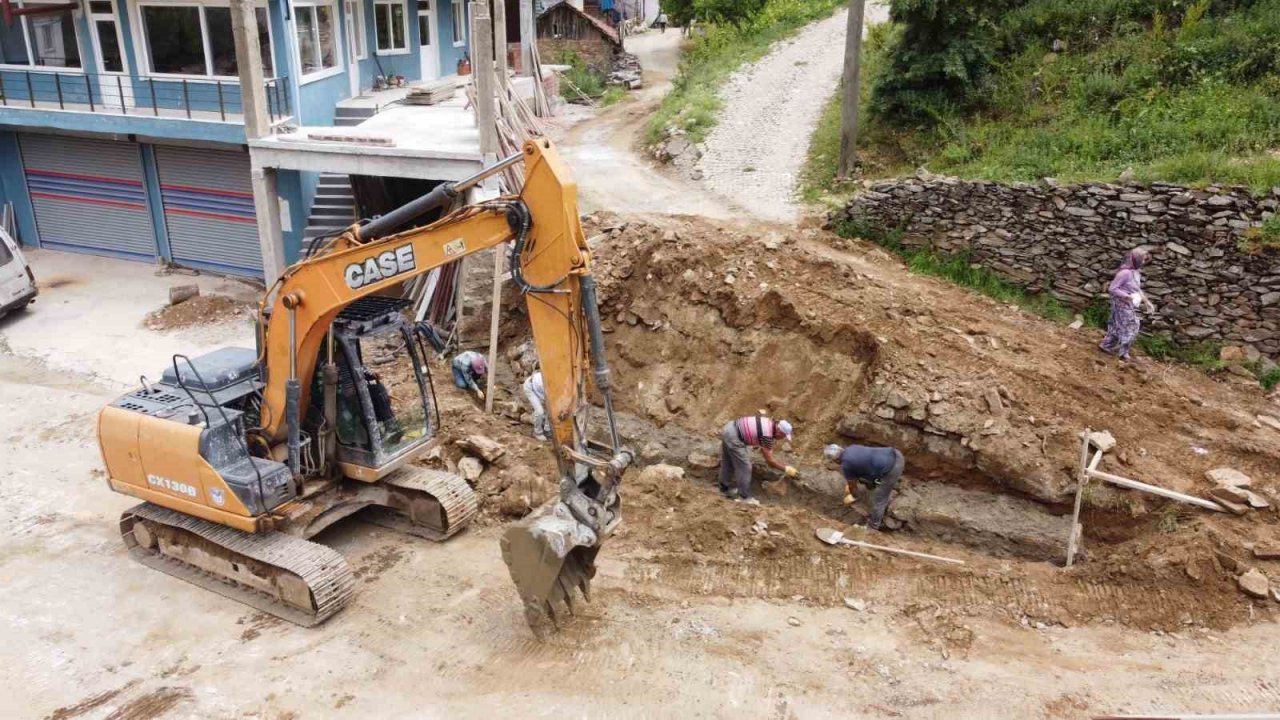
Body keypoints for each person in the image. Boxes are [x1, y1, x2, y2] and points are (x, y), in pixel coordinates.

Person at [718, 414, 797, 505]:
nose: (782, 439)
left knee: (728, 461)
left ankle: (724, 488)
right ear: (779, 432)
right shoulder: (767, 435)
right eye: (783, 436)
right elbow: (770, 461)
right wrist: (786, 469)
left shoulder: (769, 423)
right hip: (735, 437)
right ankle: (744, 497)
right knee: (745, 467)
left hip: (729, 427)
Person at [824, 443, 904, 531]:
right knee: (867, 477)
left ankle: (873, 526)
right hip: (895, 453)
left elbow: (852, 486)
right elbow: (864, 464)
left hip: (892, 468)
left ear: (836, 459)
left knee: (880, 500)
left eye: (833, 461)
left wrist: (854, 496)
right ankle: (877, 484)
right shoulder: (851, 447)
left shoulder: (846, 464)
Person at [1099, 248, 1156, 362]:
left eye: (1145, 260)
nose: (1144, 262)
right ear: (1136, 259)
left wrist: (1147, 302)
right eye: (1143, 260)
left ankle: (1107, 346)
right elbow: (1113, 288)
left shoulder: (1136, 273)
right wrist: (1127, 296)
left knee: (1117, 325)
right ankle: (1123, 353)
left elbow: (1137, 289)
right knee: (1133, 325)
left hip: (1129, 304)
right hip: (1121, 304)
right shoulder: (1124, 273)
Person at [523, 370, 549, 441]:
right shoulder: (546, 386)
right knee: (540, 412)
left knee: (550, 410)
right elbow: (549, 402)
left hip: (538, 387)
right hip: (530, 387)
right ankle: (537, 433)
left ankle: (547, 430)